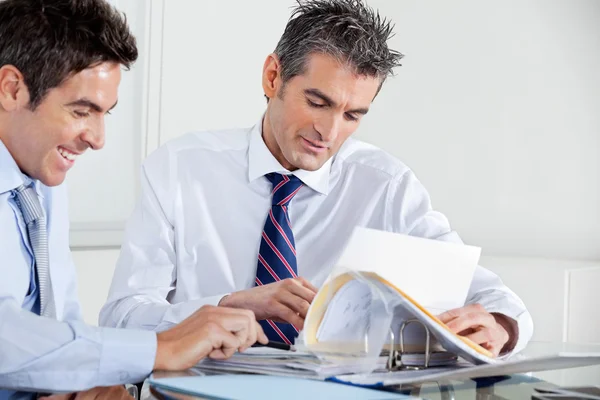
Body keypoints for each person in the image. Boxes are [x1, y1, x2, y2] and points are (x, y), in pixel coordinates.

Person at [100, 0, 533, 358]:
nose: (329, 132)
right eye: (317, 102)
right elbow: (122, 317)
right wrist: (229, 304)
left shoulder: (386, 186)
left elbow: (496, 300)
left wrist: (498, 327)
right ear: (273, 77)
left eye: (352, 115)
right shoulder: (178, 169)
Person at [0, 1, 267, 399]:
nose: (97, 138)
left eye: (105, 113)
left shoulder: (41, 182)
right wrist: (163, 347)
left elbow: (61, 327)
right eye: (82, 111)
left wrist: (84, 386)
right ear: (11, 89)